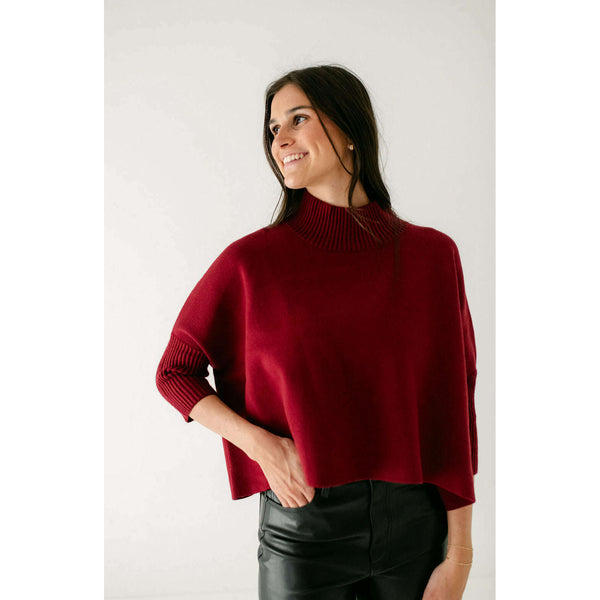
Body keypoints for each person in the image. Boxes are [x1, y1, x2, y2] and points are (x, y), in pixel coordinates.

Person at [156, 64, 479, 600]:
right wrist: (263, 447)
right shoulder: (252, 264)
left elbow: (455, 408)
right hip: (303, 532)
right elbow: (175, 372)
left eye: (298, 119)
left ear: (350, 129)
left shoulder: (432, 257)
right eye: (273, 128)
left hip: (417, 529)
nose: (280, 139)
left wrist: (460, 553)